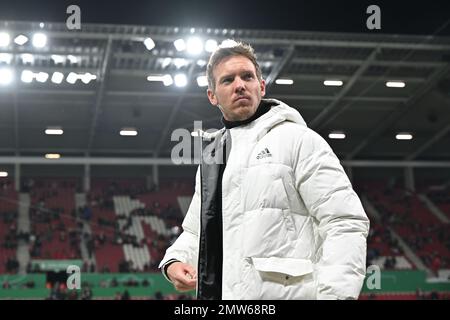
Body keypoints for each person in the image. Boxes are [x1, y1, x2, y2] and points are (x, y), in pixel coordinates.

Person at [159, 40, 370, 300]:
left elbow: (344, 222)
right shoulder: (211, 157)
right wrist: (174, 261)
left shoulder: (300, 140)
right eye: (227, 80)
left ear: (261, 85)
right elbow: (197, 232)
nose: (239, 85)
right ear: (212, 96)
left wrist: (335, 297)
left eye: (247, 76)